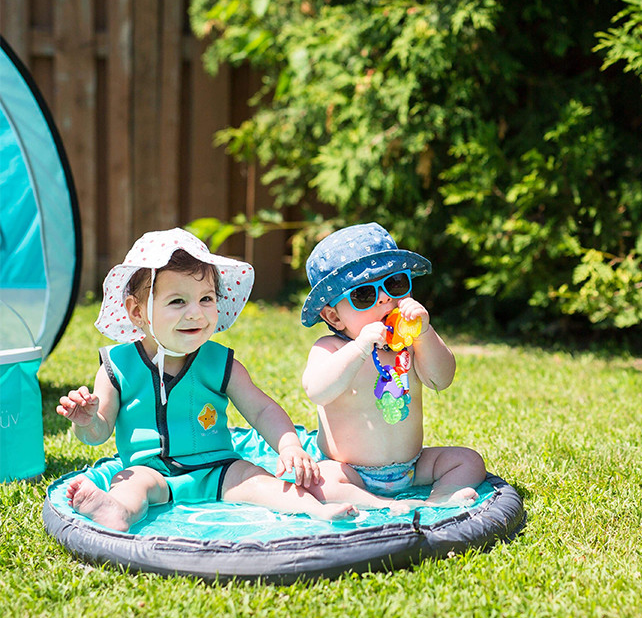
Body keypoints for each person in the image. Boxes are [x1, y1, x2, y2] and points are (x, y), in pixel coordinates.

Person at [57, 228, 355, 531]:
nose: (196, 314)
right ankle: (117, 510)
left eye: (206, 298)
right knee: (128, 483)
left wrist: (289, 446)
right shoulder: (117, 366)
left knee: (255, 478)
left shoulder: (219, 363)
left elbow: (262, 410)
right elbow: (97, 433)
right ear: (137, 311)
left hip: (219, 470)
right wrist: (87, 421)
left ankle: (313, 510)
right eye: (177, 302)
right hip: (151, 471)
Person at [299, 222, 486, 507]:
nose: (386, 298)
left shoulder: (411, 343)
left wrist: (424, 332)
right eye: (364, 295)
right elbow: (317, 391)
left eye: (395, 283)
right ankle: (380, 505)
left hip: (413, 465)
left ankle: (438, 500)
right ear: (334, 318)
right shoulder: (331, 348)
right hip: (349, 471)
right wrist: (360, 348)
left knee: (468, 461)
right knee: (318, 482)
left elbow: (441, 379)